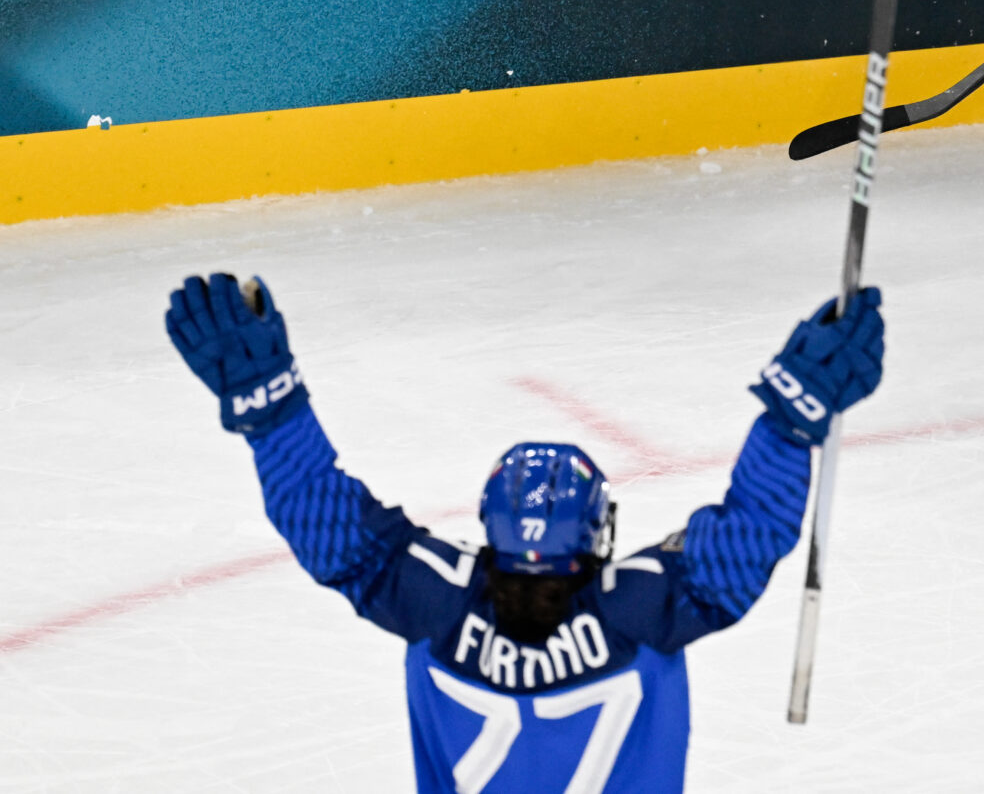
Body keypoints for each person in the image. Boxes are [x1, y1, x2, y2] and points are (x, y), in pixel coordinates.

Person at [163, 270, 885, 791]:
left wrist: (271, 410)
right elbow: (750, 532)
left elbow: (327, 526)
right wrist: (793, 419)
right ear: (598, 530)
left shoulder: (438, 602)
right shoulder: (640, 609)